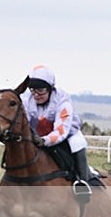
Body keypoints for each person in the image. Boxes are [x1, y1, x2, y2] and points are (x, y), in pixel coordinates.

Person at [23, 64, 100, 192]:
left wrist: (44, 141)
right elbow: (24, 123)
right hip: (40, 135)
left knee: (78, 143)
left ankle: (82, 181)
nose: (36, 94)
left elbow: (61, 131)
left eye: (40, 90)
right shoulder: (27, 101)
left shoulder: (62, 101)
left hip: (67, 133)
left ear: (50, 88)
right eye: (33, 90)